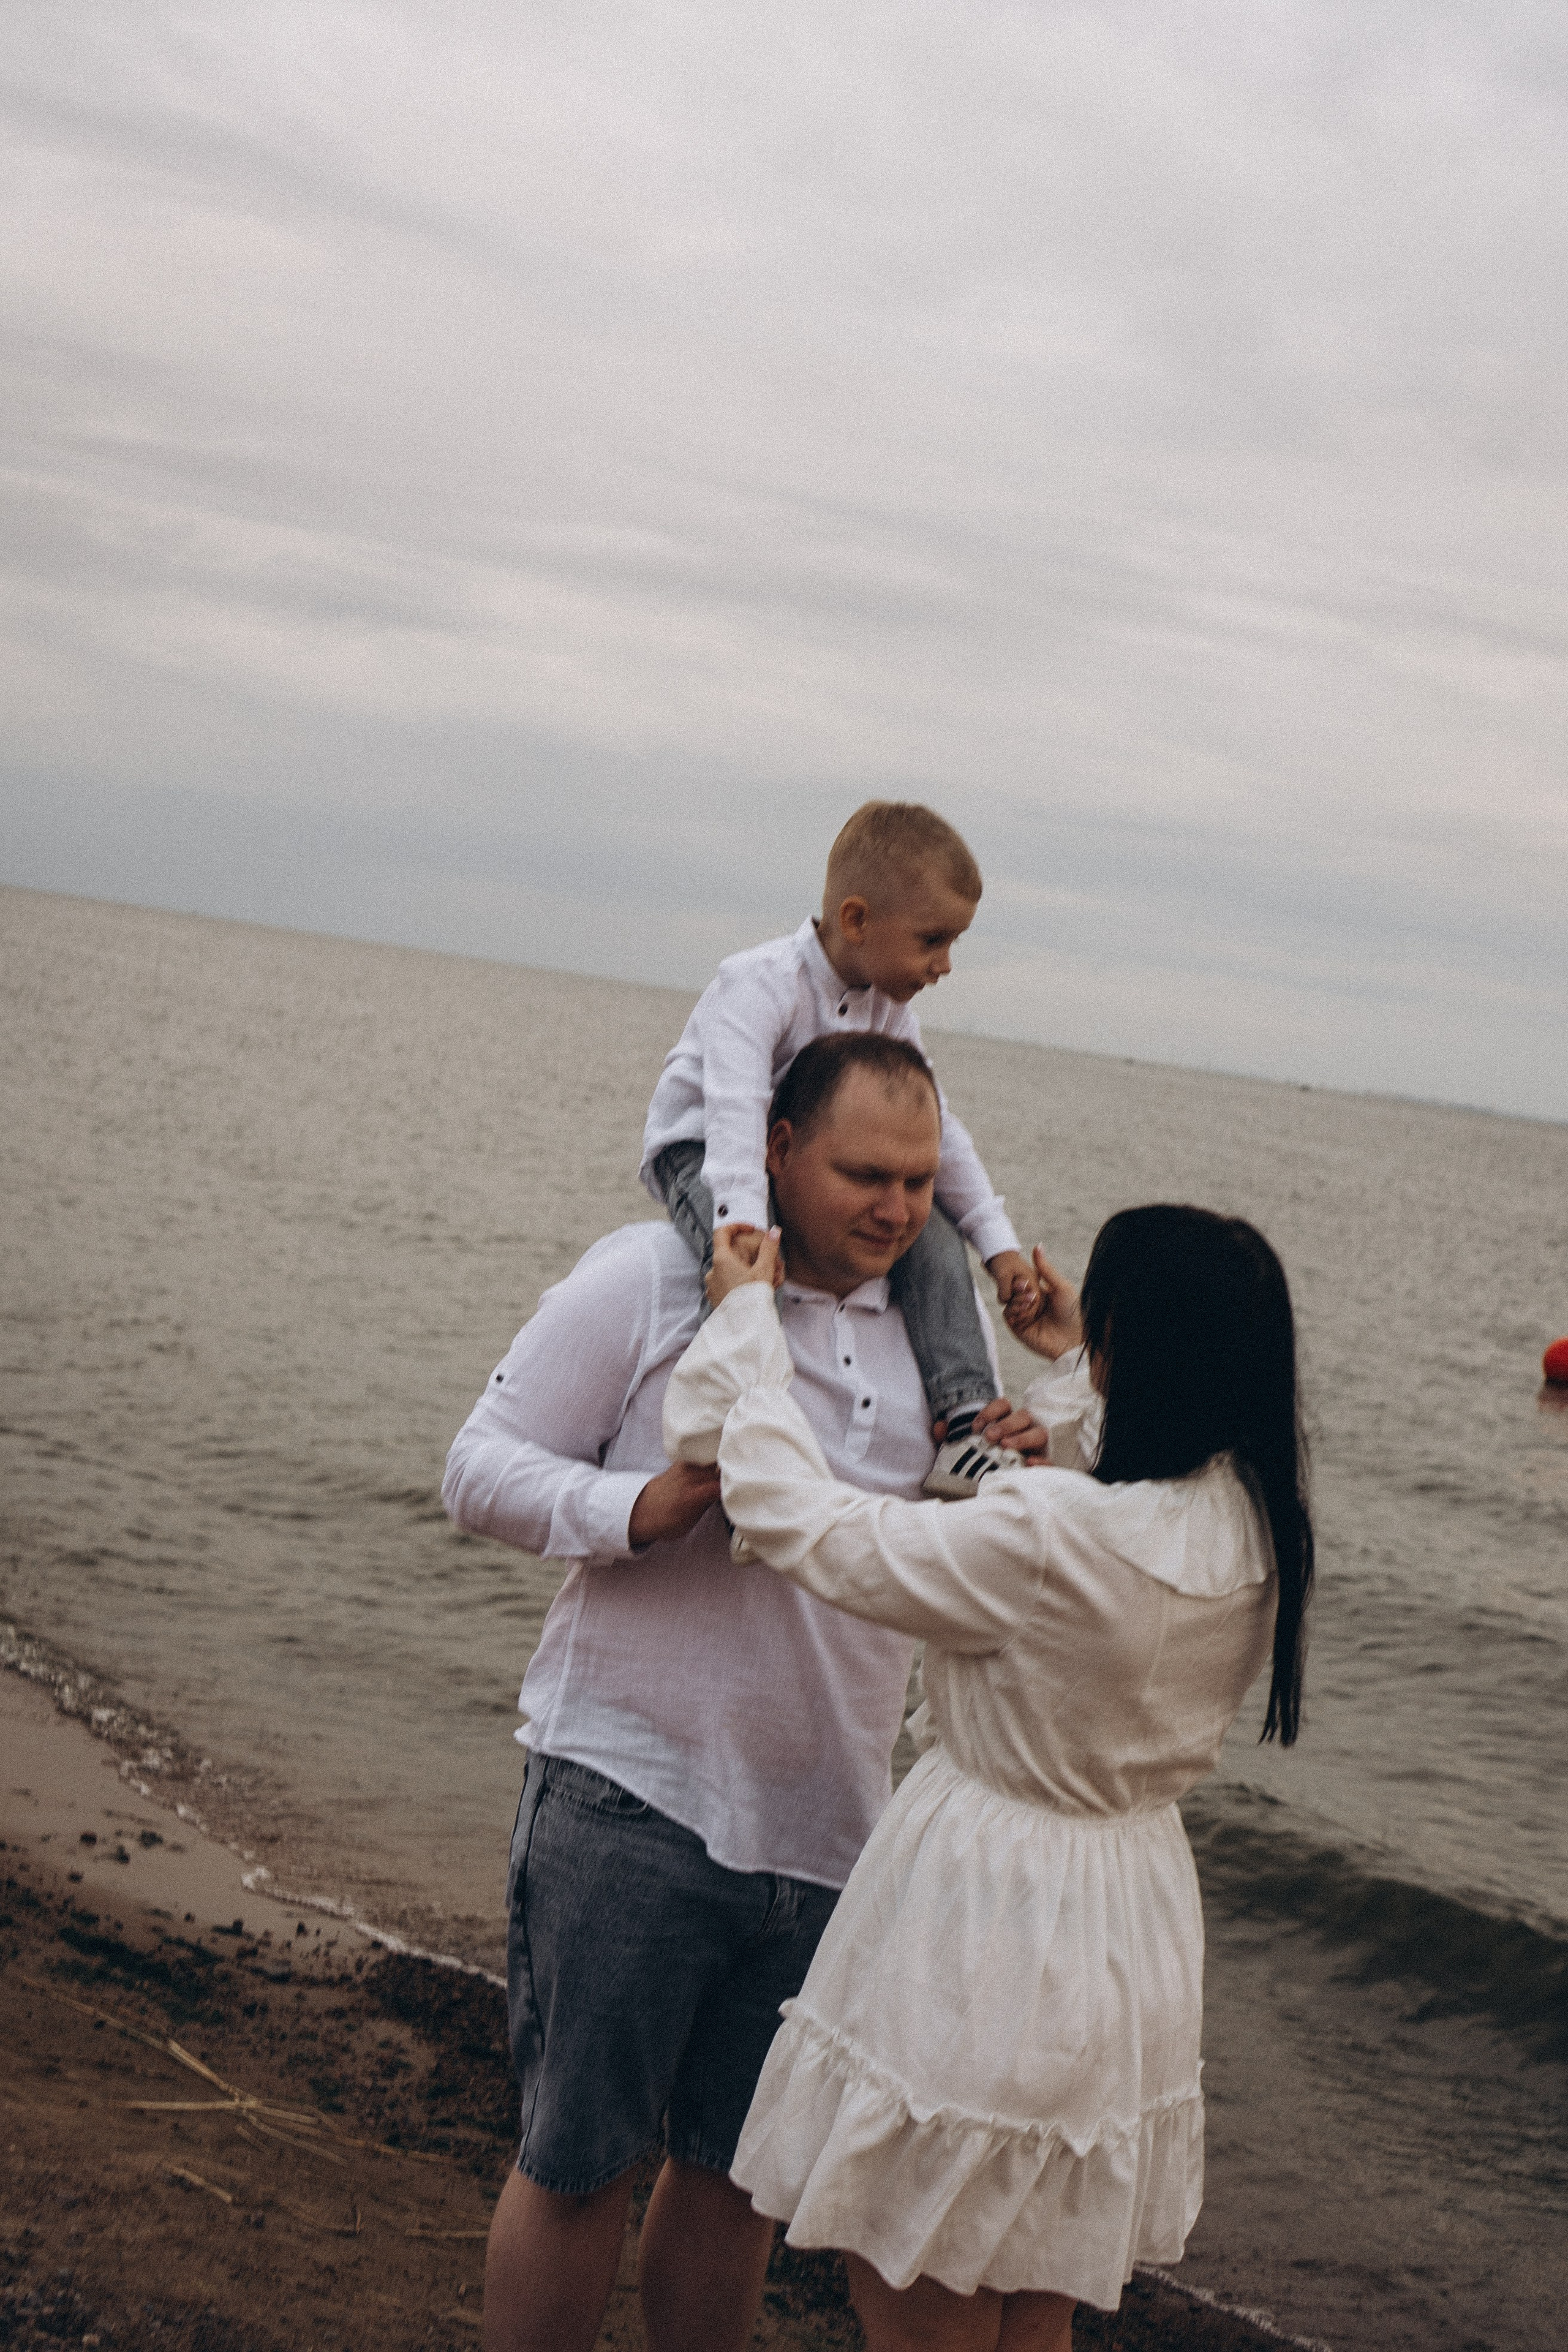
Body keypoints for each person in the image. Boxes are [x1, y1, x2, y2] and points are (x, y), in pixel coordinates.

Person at [441, 1033, 1048, 2352]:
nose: (894, 1208)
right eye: (860, 1174)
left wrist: (1042, 1427)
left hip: (832, 1832)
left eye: (917, 1179)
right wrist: (634, 1507)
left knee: (737, 2180)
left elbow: (978, 1546)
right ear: (772, 1151)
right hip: (627, 1795)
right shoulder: (651, 1278)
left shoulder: (936, 1344)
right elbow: (475, 1468)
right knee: (574, 2165)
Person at [662, 1205, 1315, 2352]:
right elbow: (1133, 1482)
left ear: (1132, 1347)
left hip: (992, 1914)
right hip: (1128, 1921)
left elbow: (815, 1527)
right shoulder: (1257, 1528)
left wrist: (751, 1336)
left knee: (923, 2291)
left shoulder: (1049, 1537)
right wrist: (1077, 1359)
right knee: (1030, 2292)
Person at [641, 799, 1041, 1498]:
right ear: (856, 919)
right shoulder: (760, 983)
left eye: (953, 943)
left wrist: (998, 1246)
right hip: (703, 1153)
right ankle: (734, 1450)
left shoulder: (891, 1014)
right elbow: (732, 1108)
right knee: (743, 1284)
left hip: (787, 1163)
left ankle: (968, 1427)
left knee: (935, 1242)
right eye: (931, 939)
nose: (945, 964)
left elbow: (940, 1135)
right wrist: (742, 1226)